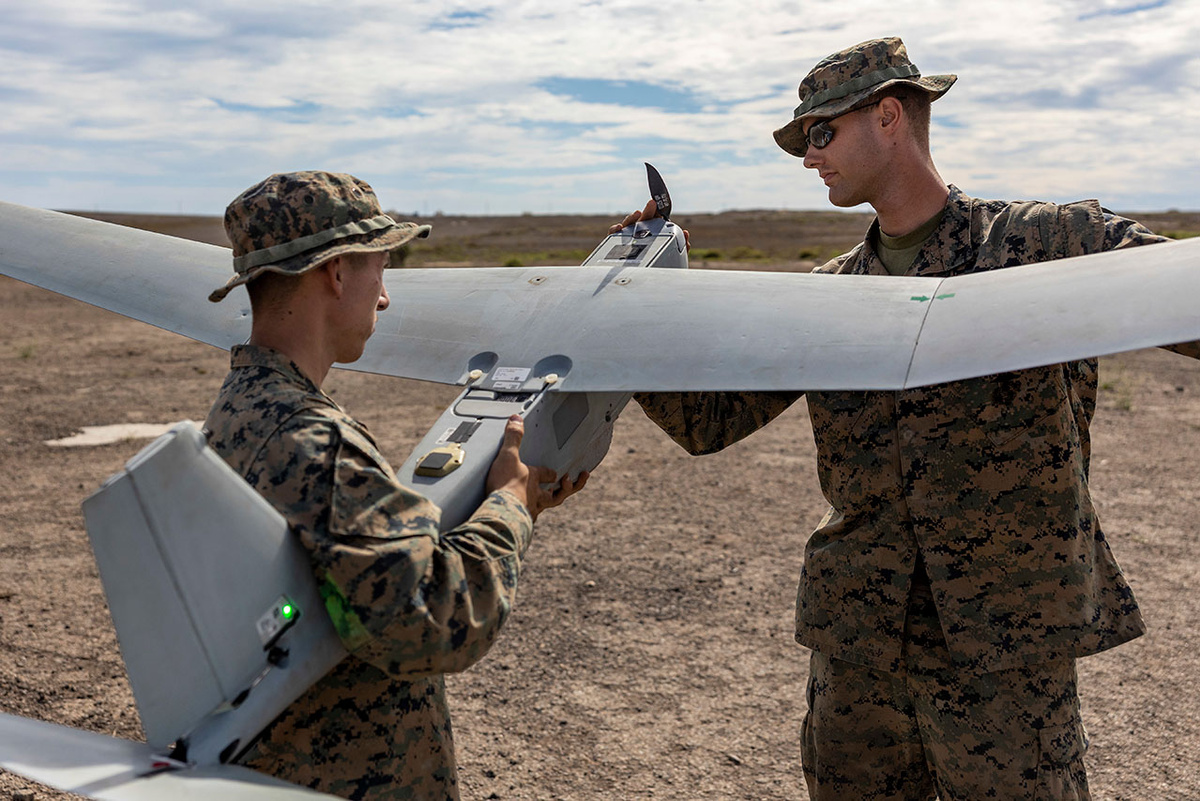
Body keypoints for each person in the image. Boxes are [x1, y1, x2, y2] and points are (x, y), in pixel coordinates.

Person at [619, 38, 1200, 800]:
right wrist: (634, 298)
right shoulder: (830, 296)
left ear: (889, 117)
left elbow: (1186, 300)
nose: (809, 156)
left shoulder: (1044, 244)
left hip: (1005, 649)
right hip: (859, 645)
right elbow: (709, 420)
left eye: (821, 133)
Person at [204, 170, 586, 800]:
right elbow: (432, 619)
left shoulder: (242, 406)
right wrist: (511, 506)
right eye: (381, 269)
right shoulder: (314, 440)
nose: (383, 298)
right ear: (336, 273)